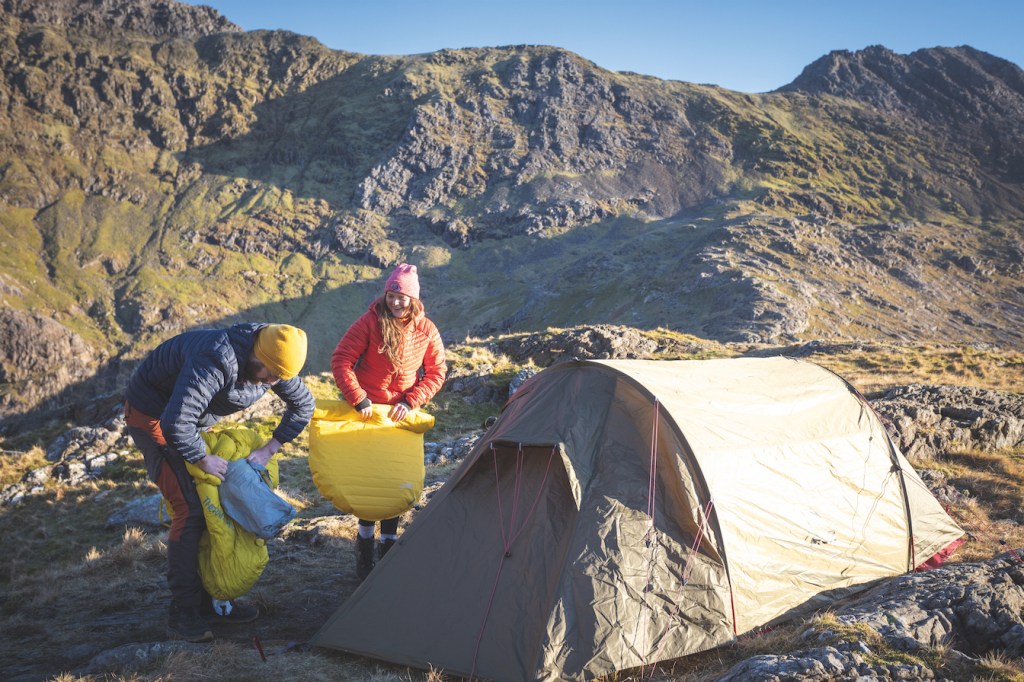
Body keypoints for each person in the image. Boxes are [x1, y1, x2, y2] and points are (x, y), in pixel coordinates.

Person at [123, 322, 314, 642]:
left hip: (189, 419)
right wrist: (201, 458)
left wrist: (271, 447)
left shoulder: (276, 360)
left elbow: (303, 404)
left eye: (280, 377)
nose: (273, 382)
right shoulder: (216, 359)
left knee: (217, 501)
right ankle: (184, 610)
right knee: (190, 507)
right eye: (270, 374)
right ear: (258, 353)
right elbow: (175, 423)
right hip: (153, 416)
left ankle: (213, 599)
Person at [331, 263, 447, 580]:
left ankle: (389, 549)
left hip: (400, 417)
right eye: (392, 295)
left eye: (402, 296)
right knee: (370, 482)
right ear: (386, 294)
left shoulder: (427, 330)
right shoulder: (369, 322)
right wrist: (358, 398)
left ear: (414, 299)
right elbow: (341, 359)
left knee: (395, 482)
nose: (396, 302)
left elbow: (437, 373)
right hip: (368, 414)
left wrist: (411, 400)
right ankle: (364, 554)